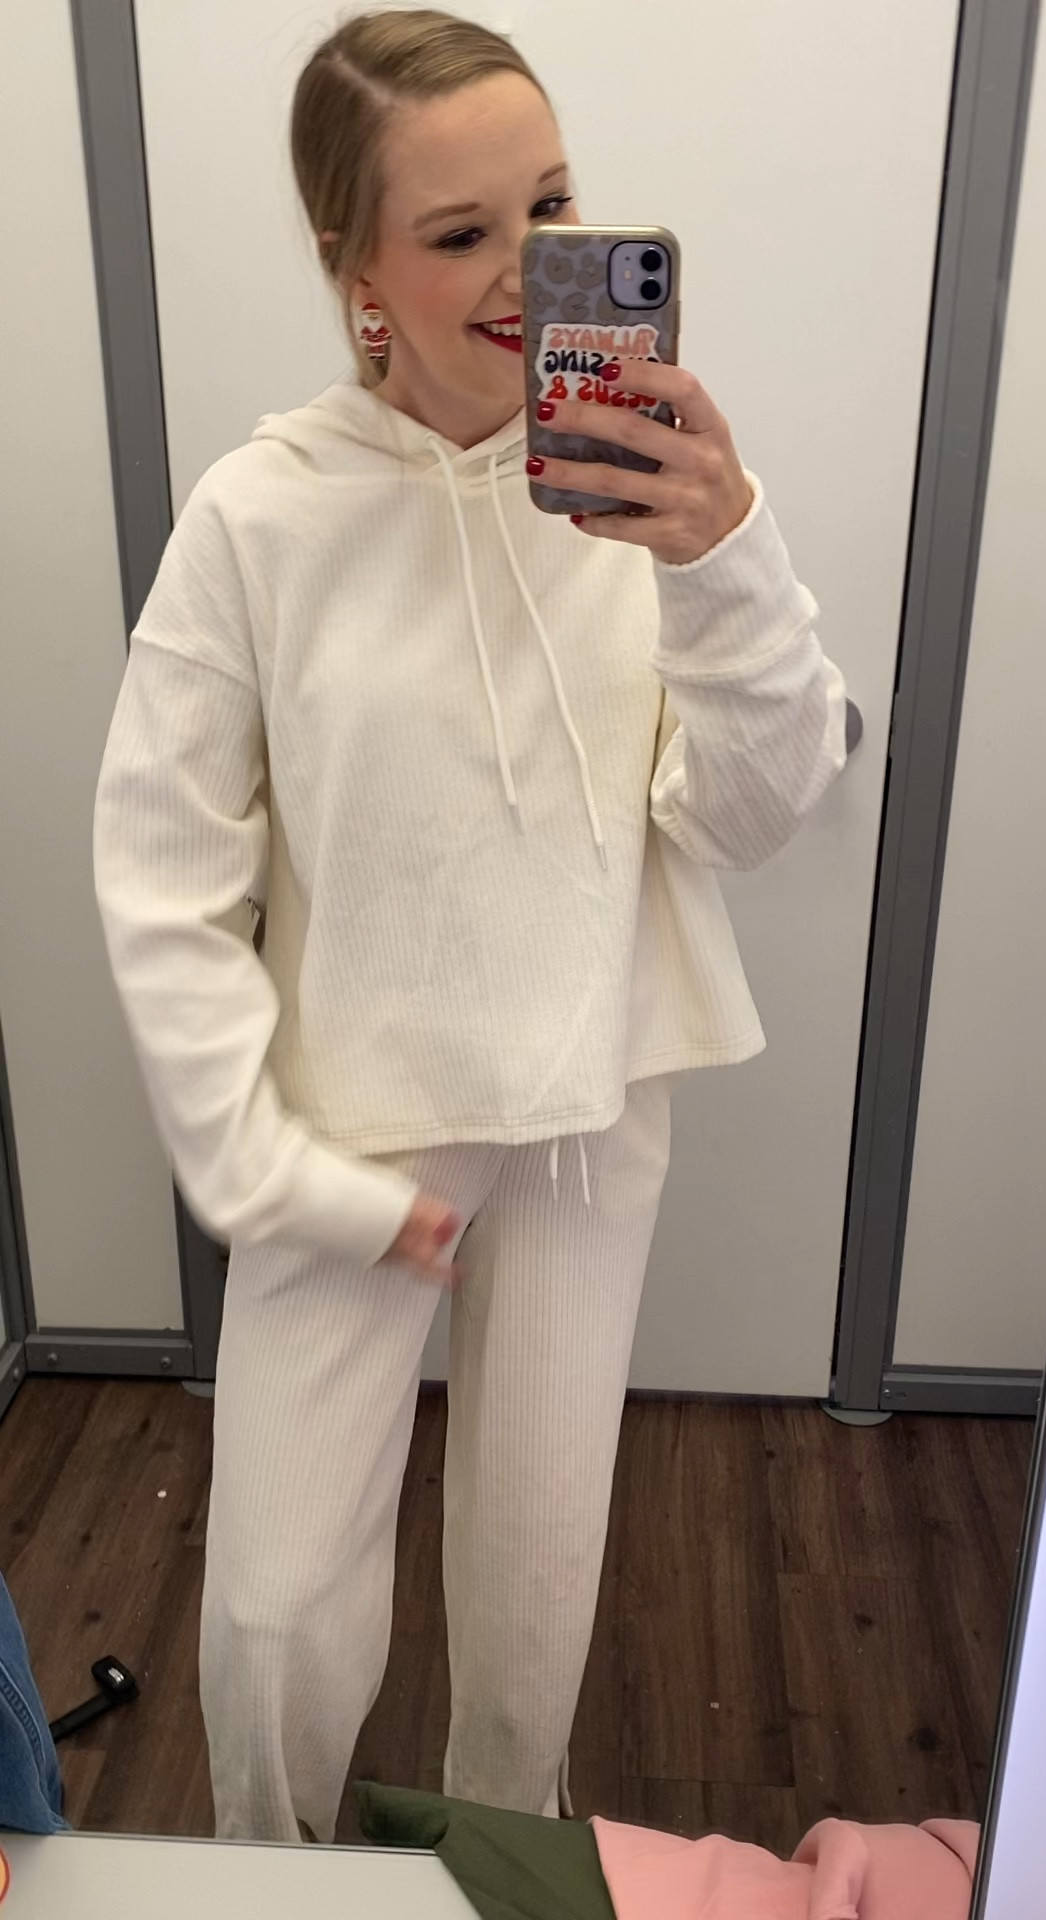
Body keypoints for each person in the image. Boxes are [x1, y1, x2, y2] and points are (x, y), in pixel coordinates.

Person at [93, 7, 847, 1846]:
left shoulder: (648, 486)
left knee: (534, 1584)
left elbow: (747, 814)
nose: (528, 269)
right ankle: (278, 1882)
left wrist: (726, 561)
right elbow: (164, 875)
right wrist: (259, 1167)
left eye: (555, 206)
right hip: (355, 1127)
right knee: (275, 1616)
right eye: (459, 233)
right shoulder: (260, 519)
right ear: (355, 272)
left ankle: (503, 1857)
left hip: (591, 1096)